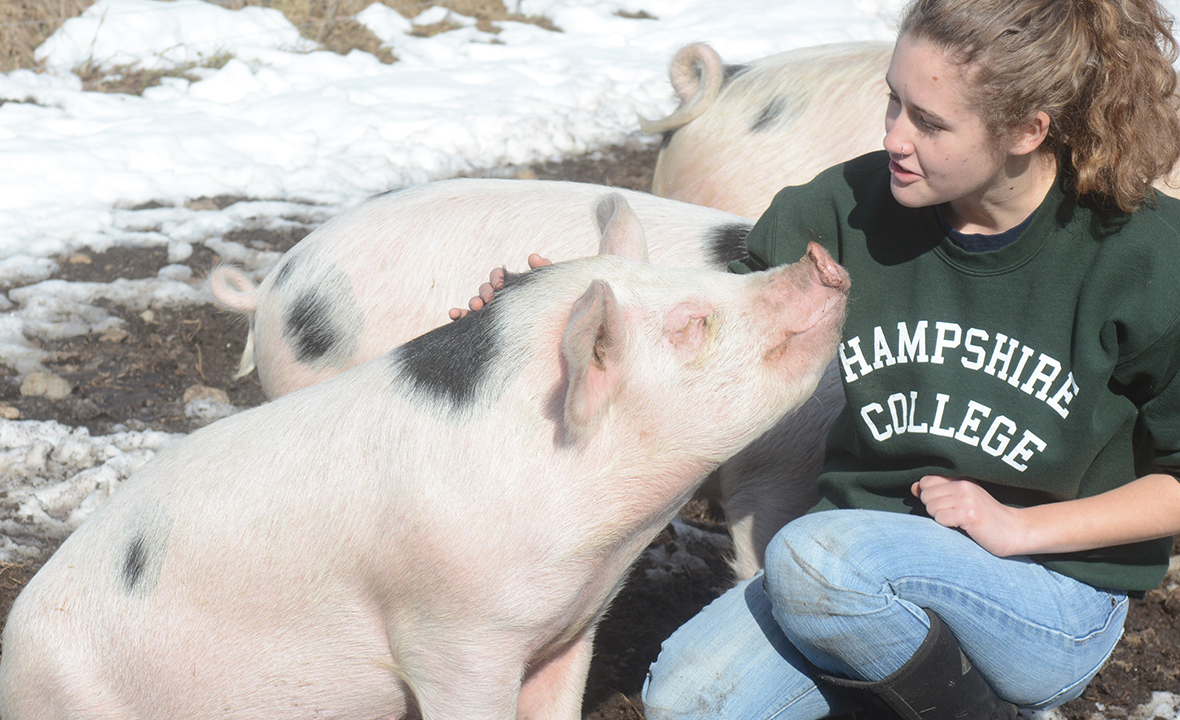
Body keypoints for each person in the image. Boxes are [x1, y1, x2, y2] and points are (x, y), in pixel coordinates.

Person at [454, 0, 1180, 717]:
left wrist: (1021, 527)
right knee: (684, 700)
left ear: (1029, 130)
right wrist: (550, 317)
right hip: (850, 578)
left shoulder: (1145, 257)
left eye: (929, 123)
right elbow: (710, 337)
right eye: (893, 102)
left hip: (1044, 594)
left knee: (813, 558)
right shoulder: (844, 210)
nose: (895, 136)